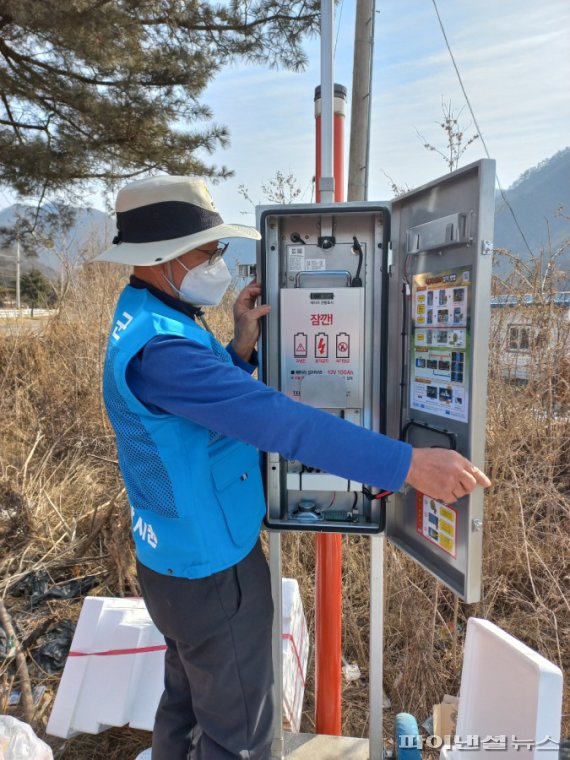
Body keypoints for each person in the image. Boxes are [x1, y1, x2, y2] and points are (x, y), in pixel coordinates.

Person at [97, 175, 491, 760]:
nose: (218, 263)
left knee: (184, 710)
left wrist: (242, 348)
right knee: (240, 738)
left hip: (169, 561)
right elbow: (283, 422)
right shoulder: (166, 349)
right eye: (209, 252)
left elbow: (197, 413)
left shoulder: (151, 318)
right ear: (162, 257)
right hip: (214, 575)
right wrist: (406, 463)